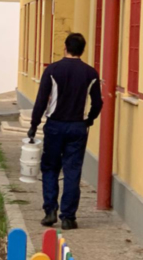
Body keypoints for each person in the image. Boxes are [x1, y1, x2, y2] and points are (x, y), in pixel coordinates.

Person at [27, 32, 103, 230]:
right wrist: (90, 119)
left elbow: (42, 99)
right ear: (82, 50)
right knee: (72, 170)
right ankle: (68, 217)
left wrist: (34, 125)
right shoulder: (90, 73)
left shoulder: (53, 70)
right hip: (78, 126)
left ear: (65, 47)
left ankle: (50, 211)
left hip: (54, 126)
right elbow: (97, 102)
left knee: (50, 167)